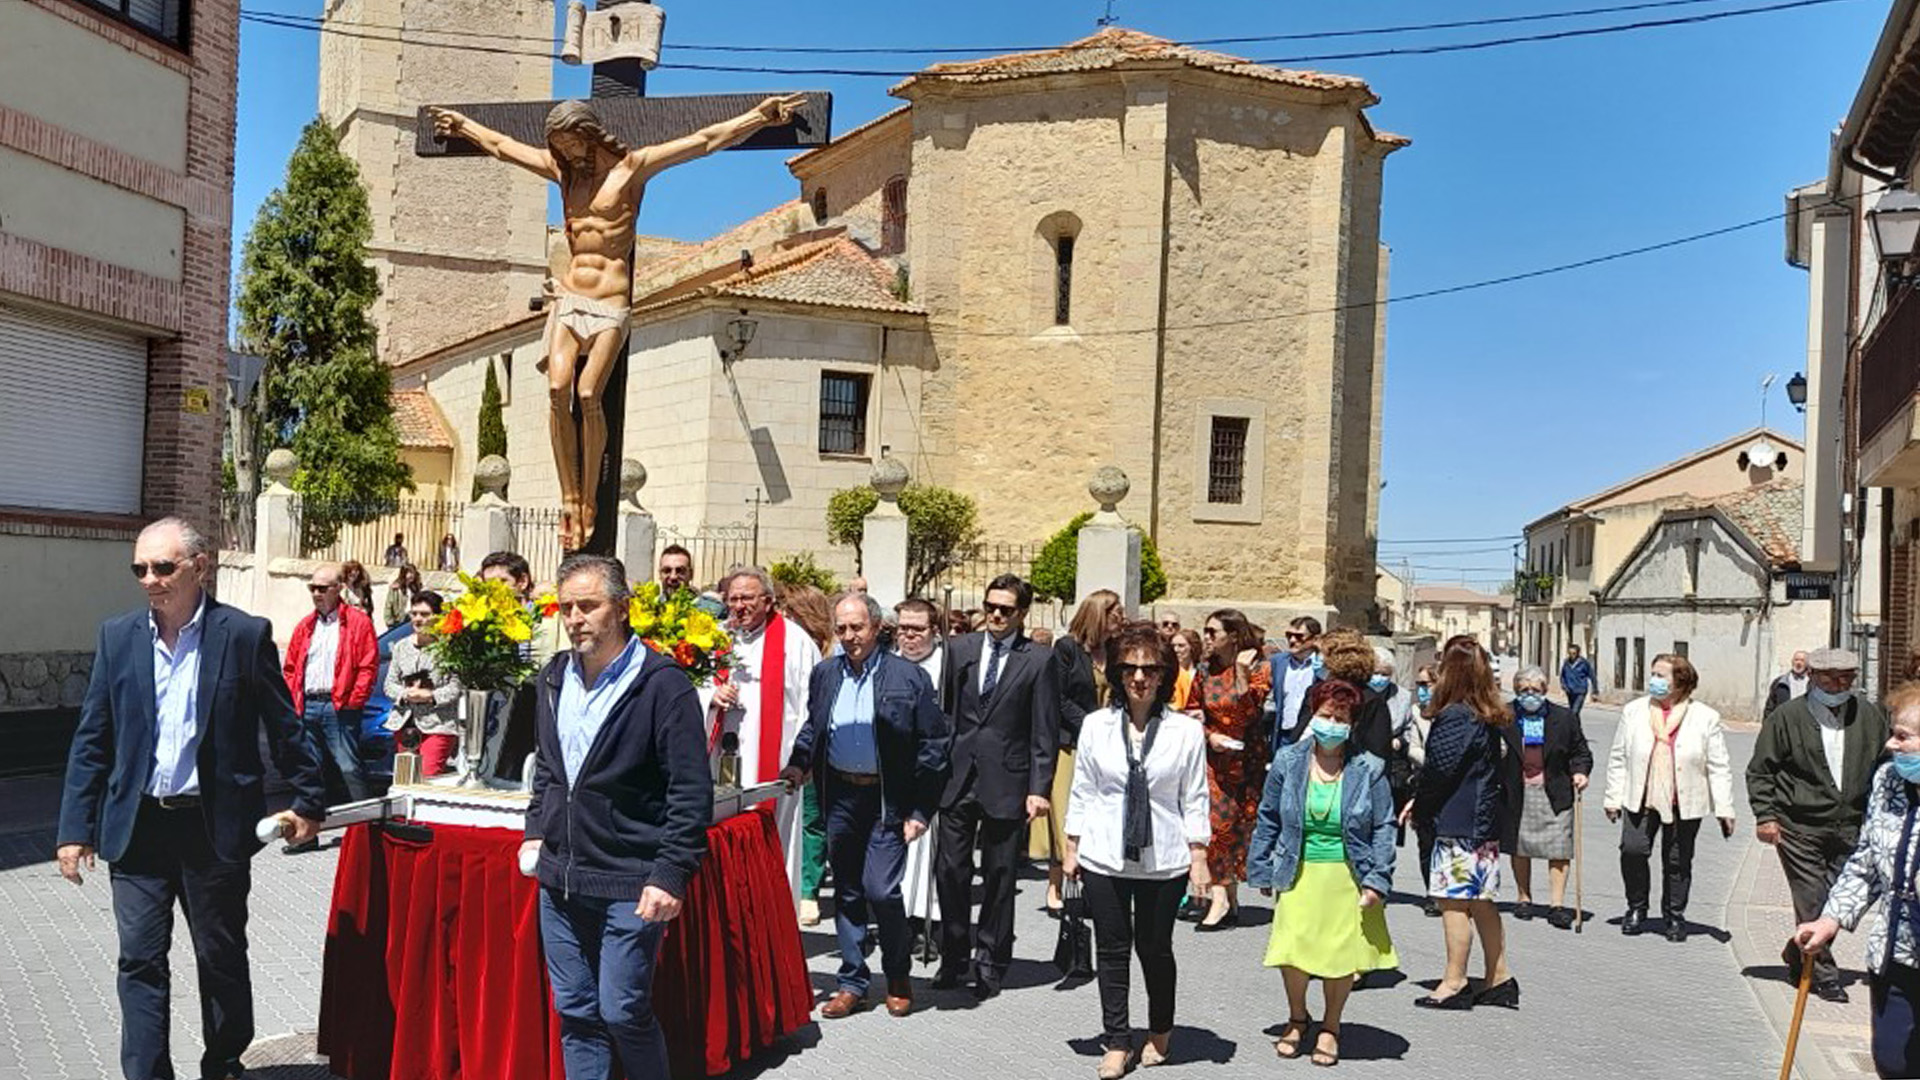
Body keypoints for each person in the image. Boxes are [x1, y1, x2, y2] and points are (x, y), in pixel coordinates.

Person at [430, 95, 805, 547]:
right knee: (556, 389)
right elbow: (504, 145)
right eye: (561, 148)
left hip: (610, 303)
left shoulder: (633, 169)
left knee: (589, 394)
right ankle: (569, 497)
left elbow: (704, 141)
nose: (568, 155)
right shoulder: (562, 175)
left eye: (573, 145)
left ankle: (589, 499)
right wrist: (465, 125)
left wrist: (758, 118)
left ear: (589, 134)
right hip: (570, 299)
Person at [56, 518, 326, 1080]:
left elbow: (286, 728)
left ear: (199, 567)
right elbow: (92, 739)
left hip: (213, 830)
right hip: (138, 830)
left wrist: (308, 802)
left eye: (162, 567)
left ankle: (224, 1060)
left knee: (220, 956)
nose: (150, 579)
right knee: (140, 959)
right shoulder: (117, 636)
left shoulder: (245, 636)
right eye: (140, 569)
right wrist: (73, 829)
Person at [520, 554, 711, 1080]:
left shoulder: (662, 683)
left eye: (589, 605)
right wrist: (537, 832)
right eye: (567, 608)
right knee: (576, 1011)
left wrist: (671, 873)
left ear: (622, 608)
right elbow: (548, 771)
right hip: (560, 879)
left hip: (630, 879)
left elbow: (690, 789)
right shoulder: (554, 677)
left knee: (621, 1009)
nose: (576, 618)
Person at [781, 594, 950, 1019]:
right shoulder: (825, 675)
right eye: (842, 628)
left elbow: (934, 746)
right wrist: (798, 765)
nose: (849, 636)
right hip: (840, 795)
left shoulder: (906, 677)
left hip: (886, 799)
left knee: (881, 889)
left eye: (857, 628)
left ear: (876, 628)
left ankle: (896, 974)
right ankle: (852, 981)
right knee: (849, 891)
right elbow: (813, 729)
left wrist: (920, 811)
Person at [1062, 622, 1210, 1077]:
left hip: (1163, 858)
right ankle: (1117, 1038)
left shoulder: (1185, 731)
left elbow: (1195, 795)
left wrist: (1200, 857)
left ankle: (1160, 1029)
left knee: (1154, 947)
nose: (1140, 678)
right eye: (1130, 669)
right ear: (1118, 674)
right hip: (1105, 853)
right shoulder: (1095, 726)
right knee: (1112, 948)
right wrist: (1072, 846)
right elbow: (1083, 789)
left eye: (1149, 669)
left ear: (1164, 674)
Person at [1249, 680, 1398, 1066]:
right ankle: (1297, 1017)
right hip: (1297, 869)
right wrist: (1261, 867)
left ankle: (1331, 1026)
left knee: (1338, 958)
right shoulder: (1288, 761)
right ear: (1312, 716)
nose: (1331, 724)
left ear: (1352, 723)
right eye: (1324, 715)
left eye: (1340, 717)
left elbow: (1384, 825)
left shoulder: (1369, 768)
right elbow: (1267, 815)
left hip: (1347, 873)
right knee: (1292, 952)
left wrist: (1377, 879)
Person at [934, 573, 1062, 998]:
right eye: (990, 607)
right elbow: (947, 713)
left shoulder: (1039, 660)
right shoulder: (959, 650)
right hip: (958, 778)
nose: (995, 615)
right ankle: (953, 955)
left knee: (999, 875)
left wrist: (1039, 787)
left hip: (1008, 779)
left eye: (1005, 610)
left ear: (1022, 614)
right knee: (950, 870)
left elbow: (1044, 728)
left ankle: (991, 961)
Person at [1793, 682, 1920, 1077]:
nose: (1891, 744)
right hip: (1895, 951)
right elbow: (1866, 862)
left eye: (1903, 736)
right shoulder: (1887, 783)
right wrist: (1829, 920)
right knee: (1893, 1059)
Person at [1751, 647, 1889, 1002]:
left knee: (1836, 903)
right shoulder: (1786, 717)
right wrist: (1766, 816)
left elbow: (1884, 765)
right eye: (1829, 677)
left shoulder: (1869, 716)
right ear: (1811, 676)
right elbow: (1761, 770)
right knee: (1812, 901)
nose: (1838, 684)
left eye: (1846, 677)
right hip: (1799, 826)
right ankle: (1824, 975)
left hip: (1851, 826)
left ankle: (1798, 952)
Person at [1407, 635, 1518, 1010]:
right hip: (1481, 823)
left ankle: (1454, 981)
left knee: (1453, 903)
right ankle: (1498, 976)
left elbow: (1440, 771)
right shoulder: (1485, 712)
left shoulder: (1455, 715)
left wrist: (1421, 809)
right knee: (1482, 902)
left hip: (1458, 823)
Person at [1601, 653, 1735, 942]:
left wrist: (1725, 808)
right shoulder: (1634, 711)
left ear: (1680, 682)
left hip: (1683, 800)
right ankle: (1637, 907)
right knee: (1633, 850)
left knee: (1677, 860)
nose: (1654, 680)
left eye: (1661, 675)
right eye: (1653, 674)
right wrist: (1612, 797)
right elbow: (1619, 756)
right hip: (1641, 797)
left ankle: (1674, 915)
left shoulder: (1705, 717)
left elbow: (1718, 765)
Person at [713, 566, 822, 902]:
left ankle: (770, 922)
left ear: (768, 601)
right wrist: (711, 698)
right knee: (722, 838)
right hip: (720, 758)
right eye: (733, 599)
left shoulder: (795, 641)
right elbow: (689, 689)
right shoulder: (715, 637)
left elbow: (814, 704)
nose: (739, 606)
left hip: (774, 764)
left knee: (771, 843)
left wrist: (804, 760)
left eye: (748, 598)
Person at [282, 562, 379, 849]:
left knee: (349, 767)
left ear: (339, 589)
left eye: (322, 588)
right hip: (308, 704)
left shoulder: (358, 622)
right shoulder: (306, 625)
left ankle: (366, 830)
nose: (316, 593)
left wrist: (353, 700)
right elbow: (291, 667)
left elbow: (367, 665)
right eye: (312, 587)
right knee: (309, 771)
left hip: (339, 706)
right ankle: (307, 834)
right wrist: (293, 699)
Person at [1046, 589, 1124, 915]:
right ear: (1099, 614)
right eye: (1116, 612)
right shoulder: (1067, 648)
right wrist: (1092, 725)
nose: (1121, 617)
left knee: (1100, 815)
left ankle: (1094, 885)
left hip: (1110, 744)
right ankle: (1055, 885)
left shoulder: (1117, 650)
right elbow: (1059, 697)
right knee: (1065, 814)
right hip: (1072, 743)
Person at [1194, 608, 1271, 931]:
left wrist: (1240, 671)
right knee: (1215, 825)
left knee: (1240, 828)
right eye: (1206, 631)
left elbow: (1249, 712)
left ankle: (1231, 895)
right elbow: (1193, 711)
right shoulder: (1204, 670)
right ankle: (1219, 896)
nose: (1208, 638)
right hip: (1215, 760)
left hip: (1247, 761)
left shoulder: (1259, 668)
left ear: (1234, 636)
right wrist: (1210, 737)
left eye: (1214, 632)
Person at [1502, 666, 1592, 929]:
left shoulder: (1564, 718)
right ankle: (1523, 898)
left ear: (1544, 691)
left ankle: (1557, 905)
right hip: (1517, 789)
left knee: (1559, 848)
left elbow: (1581, 752)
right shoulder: (1505, 716)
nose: (1530, 695)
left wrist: (1580, 772)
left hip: (1555, 790)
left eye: (1535, 690)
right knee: (1520, 846)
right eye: (1523, 690)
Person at [776, 582, 834, 926]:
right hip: (789, 746)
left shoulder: (823, 652)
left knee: (812, 819)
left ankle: (809, 890)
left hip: (814, 746)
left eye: (790, 611)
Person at [479, 550, 565, 782]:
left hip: (539, 702)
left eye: (502, 582)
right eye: (488, 585)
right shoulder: (485, 624)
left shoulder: (548, 616)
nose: (494, 590)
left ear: (523, 581)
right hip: (501, 711)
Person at [894, 598, 948, 937]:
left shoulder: (948, 667)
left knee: (929, 851)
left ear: (934, 631)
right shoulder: (886, 664)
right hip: (894, 770)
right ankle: (897, 917)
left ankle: (929, 921)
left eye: (918, 630)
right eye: (903, 629)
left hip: (934, 769)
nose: (909, 637)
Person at [383, 590, 464, 777]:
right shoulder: (401, 646)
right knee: (404, 779)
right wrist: (405, 694)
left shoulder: (450, 648)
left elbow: (456, 686)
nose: (418, 619)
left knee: (428, 778)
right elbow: (390, 684)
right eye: (414, 613)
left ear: (438, 617)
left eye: (425, 614)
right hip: (404, 723)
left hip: (438, 724)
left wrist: (431, 696)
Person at [1316, 627, 1395, 763]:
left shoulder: (1371, 701)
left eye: (1320, 653)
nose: (1317, 659)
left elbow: (1378, 754)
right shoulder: (1316, 692)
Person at [1401, 663, 1439, 916]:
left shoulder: (1456, 711)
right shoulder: (1418, 712)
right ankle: (1432, 893)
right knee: (1426, 841)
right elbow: (1413, 747)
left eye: (1427, 684)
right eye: (1419, 685)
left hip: (1454, 786)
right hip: (1425, 781)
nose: (1422, 690)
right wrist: (1434, 761)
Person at [1265, 616, 1324, 749]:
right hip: (1283, 734)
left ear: (1315, 639)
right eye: (1289, 635)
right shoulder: (1278, 662)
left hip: (1310, 734)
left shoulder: (1321, 665)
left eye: (1299, 636)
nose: (1292, 640)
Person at [1767, 650, 1813, 717]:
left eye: (1802, 660)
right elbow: (1770, 707)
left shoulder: (1813, 682)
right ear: (1792, 662)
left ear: (1807, 663)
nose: (1798, 663)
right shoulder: (1780, 682)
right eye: (1796, 660)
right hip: (1785, 720)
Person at [1171, 628, 1203, 712]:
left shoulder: (1203, 673)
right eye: (1173, 646)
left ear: (1192, 647)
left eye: (1181, 646)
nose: (1175, 650)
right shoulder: (1169, 674)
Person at [383, 562, 423, 630]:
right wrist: (389, 622)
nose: (411, 575)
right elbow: (388, 605)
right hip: (399, 620)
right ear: (404, 574)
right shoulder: (396, 589)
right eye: (409, 573)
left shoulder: (416, 588)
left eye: (413, 573)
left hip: (413, 618)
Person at [1559, 644, 1595, 717]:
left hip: (1580, 691)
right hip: (1570, 691)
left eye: (1574, 653)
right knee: (1573, 711)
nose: (1572, 655)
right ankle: (1576, 727)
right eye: (1570, 653)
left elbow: (1592, 675)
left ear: (1578, 653)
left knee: (1575, 711)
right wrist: (1564, 685)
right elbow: (1563, 675)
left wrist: (1595, 689)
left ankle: (1573, 727)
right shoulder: (1566, 663)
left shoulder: (1584, 663)